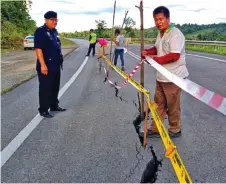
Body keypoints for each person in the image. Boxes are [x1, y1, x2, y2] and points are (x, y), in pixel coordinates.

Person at [141, 6, 189, 138]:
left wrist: (155, 59)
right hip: (161, 76)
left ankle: (175, 129)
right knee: (158, 103)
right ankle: (156, 129)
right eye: (156, 19)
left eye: (161, 19)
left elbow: (174, 55)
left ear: (168, 18)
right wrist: (148, 52)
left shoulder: (175, 34)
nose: (158, 22)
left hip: (174, 77)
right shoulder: (161, 33)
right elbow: (157, 49)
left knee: (172, 105)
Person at [34, 11, 66, 118]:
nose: (54, 22)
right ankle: (43, 109)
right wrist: (43, 65)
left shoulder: (54, 32)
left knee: (54, 87)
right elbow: (38, 49)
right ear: (45, 20)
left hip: (56, 65)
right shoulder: (40, 31)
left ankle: (54, 105)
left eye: (56, 20)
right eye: (52, 20)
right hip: (46, 66)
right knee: (45, 88)